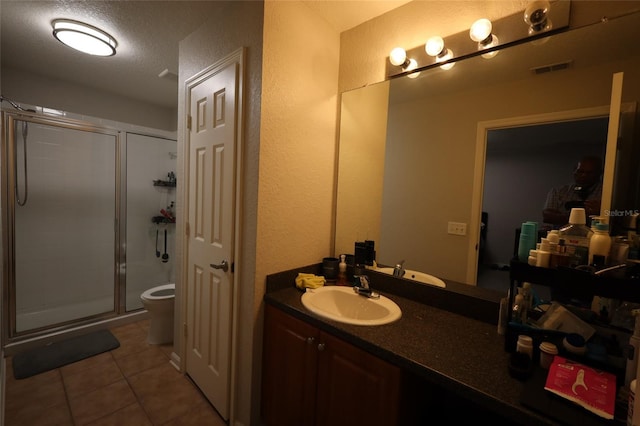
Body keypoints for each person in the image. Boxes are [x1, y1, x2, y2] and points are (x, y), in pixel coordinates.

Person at [543, 156, 603, 227]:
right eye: (580, 171)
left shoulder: (607, 193)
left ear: (599, 174)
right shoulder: (559, 192)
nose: (583, 175)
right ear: (574, 172)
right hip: (562, 235)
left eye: (589, 173)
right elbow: (547, 216)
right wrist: (578, 216)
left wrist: (602, 211)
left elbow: (617, 213)